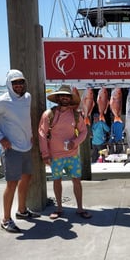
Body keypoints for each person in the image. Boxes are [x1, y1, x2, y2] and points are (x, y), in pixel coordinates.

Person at [0, 69, 39, 233]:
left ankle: (22, 210)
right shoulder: (1, 101)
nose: (19, 85)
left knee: (27, 178)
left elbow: (25, 118)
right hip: (11, 149)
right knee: (11, 183)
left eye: (21, 82)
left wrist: (31, 135)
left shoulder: (27, 97)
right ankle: (6, 219)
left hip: (26, 146)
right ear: (9, 84)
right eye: (15, 83)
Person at [38, 85, 92, 219]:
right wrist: (45, 154)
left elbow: (84, 131)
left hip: (72, 156)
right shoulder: (48, 114)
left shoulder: (76, 115)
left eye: (67, 96)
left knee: (77, 181)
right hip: (55, 156)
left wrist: (76, 142)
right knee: (57, 181)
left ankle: (80, 208)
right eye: (62, 95)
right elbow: (42, 134)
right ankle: (59, 208)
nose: (64, 98)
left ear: (70, 98)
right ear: (57, 98)